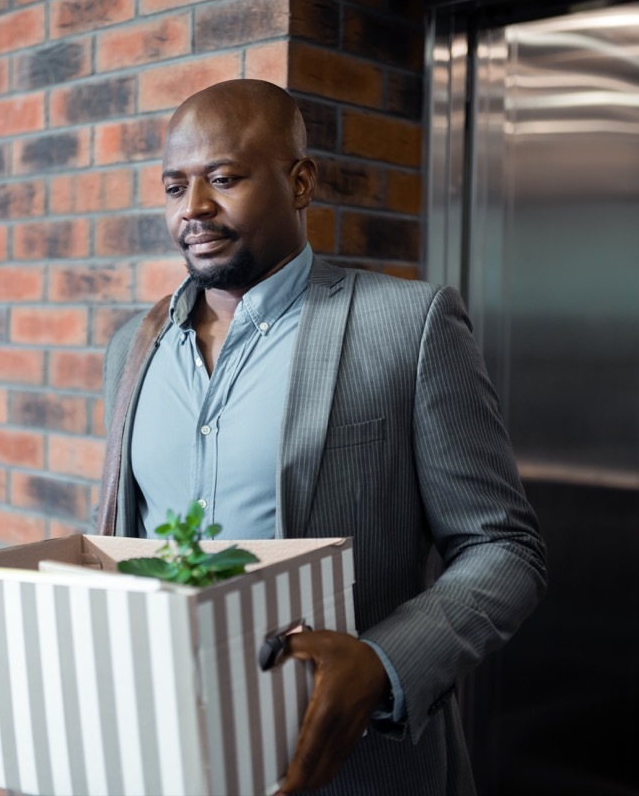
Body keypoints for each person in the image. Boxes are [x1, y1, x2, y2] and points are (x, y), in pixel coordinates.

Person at [96, 79, 547, 795]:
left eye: (224, 178)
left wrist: (383, 663)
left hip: (358, 768)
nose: (195, 210)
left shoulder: (409, 325)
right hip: (169, 760)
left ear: (300, 181)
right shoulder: (132, 349)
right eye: (175, 186)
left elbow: (504, 548)